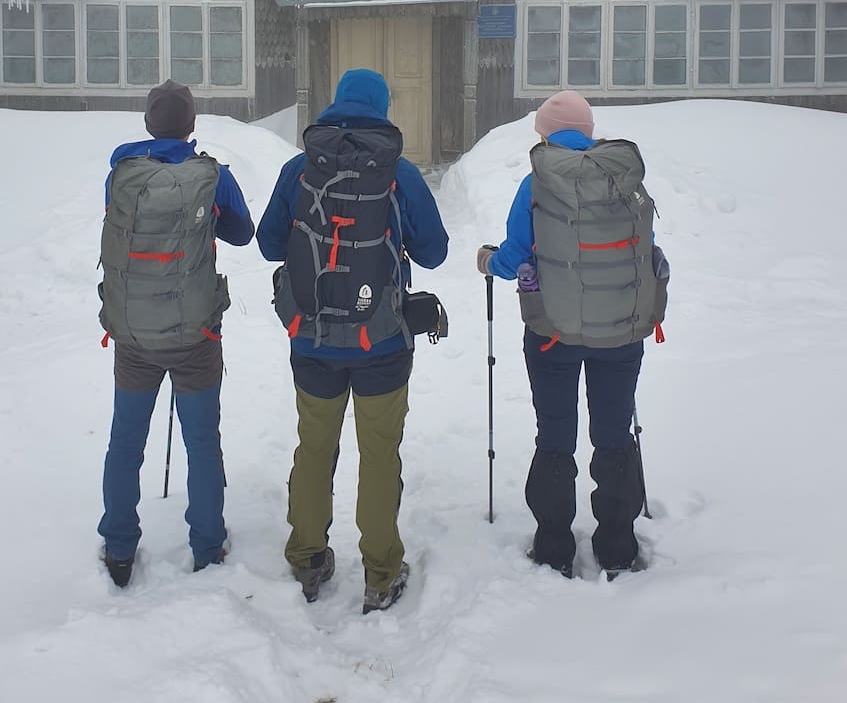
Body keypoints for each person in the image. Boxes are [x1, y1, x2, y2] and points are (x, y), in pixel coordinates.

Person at [257, 68, 449, 613]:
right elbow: (434, 251)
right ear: (383, 110)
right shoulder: (398, 173)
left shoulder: (300, 169)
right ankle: (382, 572)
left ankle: (307, 556)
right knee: (379, 454)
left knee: (315, 448)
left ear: (335, 103)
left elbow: (271, 245)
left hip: (312, 340)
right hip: (381, 342)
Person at [476, 90, 669, 580]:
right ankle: (618, 546)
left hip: (552, 334)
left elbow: (517, 255)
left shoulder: (537, 183)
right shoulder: (622, 179)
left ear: (544, 132)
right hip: (621, 333)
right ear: (588, 130)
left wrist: (488, 260)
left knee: (556, 435)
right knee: (613, 432)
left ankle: (554, 546)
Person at [97, 79, 255, 588]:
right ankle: (208, 546)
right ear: (191, 125)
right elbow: (243, 233)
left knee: (125, 442)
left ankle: (120, 547)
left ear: (148, 123)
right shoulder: (211, 176)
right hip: (195, 338)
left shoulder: (122, 173)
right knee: (202, 443)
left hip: (134, 336)